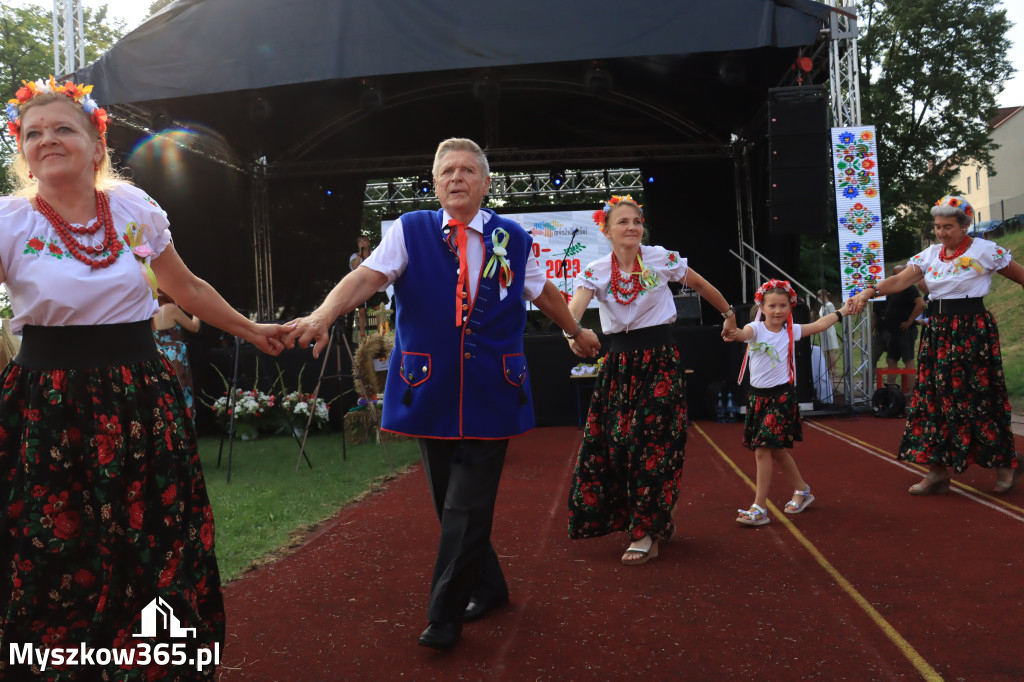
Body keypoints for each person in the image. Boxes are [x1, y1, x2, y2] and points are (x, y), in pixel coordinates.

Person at [0, 77, 286, 680]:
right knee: (60, 548)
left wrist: (251, 329)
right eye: (33, 134)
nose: (47, 140)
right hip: (48, 408)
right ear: (21, 150)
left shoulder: (134, 210)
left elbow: (188, 289)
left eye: (62, 129)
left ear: (96, 144)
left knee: (151, 540)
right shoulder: (9, 222)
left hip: (139, 400)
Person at [284, 138, 600, 650]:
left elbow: (541, 291)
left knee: (466, 504)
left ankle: (444, 614)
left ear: (486, 183)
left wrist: (574, 331)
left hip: (493, 388)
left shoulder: (513, 238)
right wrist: (322, 315)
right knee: (448, 503)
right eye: (447, 170)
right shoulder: (411, 230)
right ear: (435, 183)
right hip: (427, 387)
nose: (457, 177)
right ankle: (491, 586)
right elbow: (365, 278)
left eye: (468, 170)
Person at [565, 195, 737, 565]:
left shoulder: (661, 258)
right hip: (618, 365)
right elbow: (573, 312)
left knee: (650, 441)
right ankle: (655, 519)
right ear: (607, 230)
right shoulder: (595, 270)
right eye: (623, 222)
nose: (632, 227)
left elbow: (702, 285)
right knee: (615, 445)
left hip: (659, 360)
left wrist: (728, 314)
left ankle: (644, 532)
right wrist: (572, 334)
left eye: (637, 221)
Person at [848, 195, 1024, 495]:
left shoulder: (986, 250)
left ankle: (1005, 466)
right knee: (934, 399)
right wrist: (869, 292)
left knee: (981, 396)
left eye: (948, 227)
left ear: (964, 226)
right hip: (938, 332)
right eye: (938, 226)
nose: (942, 233)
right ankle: (937, 471)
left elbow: (1020, 276)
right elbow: (901, 281)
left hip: (973, 331)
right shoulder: (930, 255)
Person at [726, 280, 850, 525]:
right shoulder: (756, 329)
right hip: (757, 398)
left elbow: (819, 324)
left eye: (783, 305)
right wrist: (731, 328)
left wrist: (843, 311)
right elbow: (741, 334)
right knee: (777, 452)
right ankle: (802, 490)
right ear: (762, 306)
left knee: (763, 449)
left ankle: (759, 508)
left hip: (781, 398)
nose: (778, 310)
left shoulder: (791, 332)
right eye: (772, 305)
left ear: (790, 307)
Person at [152, 290, 202, 418]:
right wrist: (197, 310)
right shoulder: (170, 309)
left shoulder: (151, 310)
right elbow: (194, 327)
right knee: (182, 389)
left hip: (158, 354)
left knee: (165, 392)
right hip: (175, 356)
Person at [877, 265, 926, 392]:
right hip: (894, 330)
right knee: (891, 359)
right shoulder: (894, 290)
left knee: (908, 359)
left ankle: (911, 392)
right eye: (894, 275)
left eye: (898, 274)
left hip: (905, 331)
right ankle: (891, 389)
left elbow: (921, 304)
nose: (896, 277)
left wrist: (910, 321)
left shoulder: (910, 289)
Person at [348, 235, 387, 340]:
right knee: (361, 310)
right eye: (360, 241)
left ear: (368, 243)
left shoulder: (374, 254)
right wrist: (360, 254)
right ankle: (362, 335)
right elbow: (355, 267)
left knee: (378, 308)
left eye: (364, 241)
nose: (363, 243)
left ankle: (380, 333)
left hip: (373, 284)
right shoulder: (354, 257)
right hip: (360, 286)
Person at [816, 288, 841, 390]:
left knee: (830, 349)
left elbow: (833, 317)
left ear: (823, 296)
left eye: (819, 296)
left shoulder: (830, 305)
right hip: (823, 330)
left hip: (829, 329)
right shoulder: (823, 306)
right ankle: (829, 369)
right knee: (826, 349)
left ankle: (834, 370)